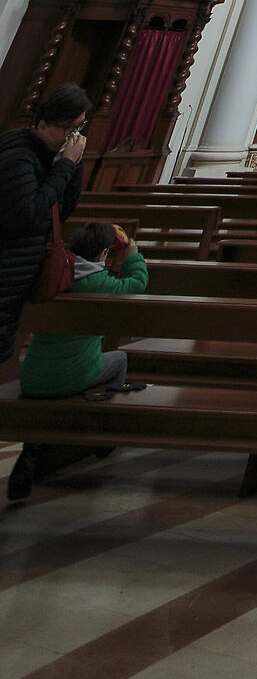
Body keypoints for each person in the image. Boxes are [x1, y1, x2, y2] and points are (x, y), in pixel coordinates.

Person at [9, 220, 146, 504]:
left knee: (63, 361)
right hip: (75, 376)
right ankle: (102, 433)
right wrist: (132, 256)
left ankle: (34, 448)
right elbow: (136, 285)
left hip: (33, 376)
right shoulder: (99, 283)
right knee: (119, 359)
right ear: (103, 254)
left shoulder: (53, 275)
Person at [0, 84, 89, 365]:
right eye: (67, 129)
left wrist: (73, 166)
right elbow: (31, 214)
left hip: (14, 278)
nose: (71, 136)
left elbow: (59, 212)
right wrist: (65, 166)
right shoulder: (19, 158)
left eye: (78, 128)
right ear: (42, 123)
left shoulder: (45, 156)